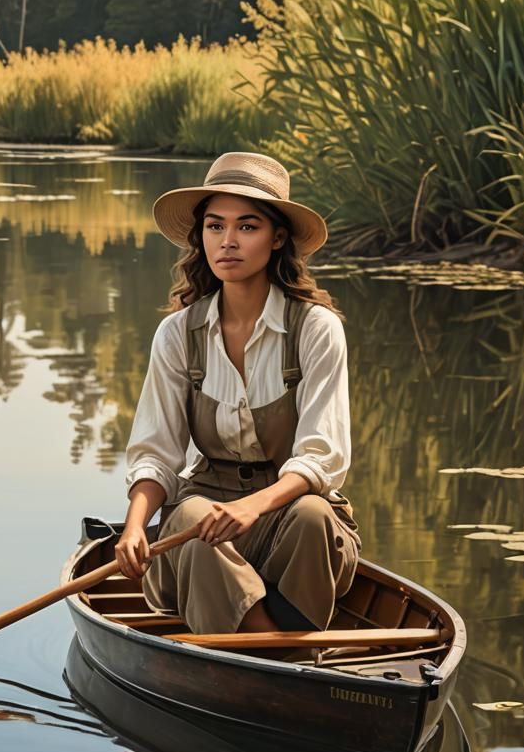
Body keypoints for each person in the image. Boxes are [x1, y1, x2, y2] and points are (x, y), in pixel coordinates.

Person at [115, 152, 360, 637]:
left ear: (278, 237)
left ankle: (268, 643)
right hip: (201, 528)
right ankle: (281, 653)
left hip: (287, 527)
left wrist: (254, 506)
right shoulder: (177, 334)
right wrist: (134, 526)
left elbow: (321, 457)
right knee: (192, 514)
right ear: (200, 236)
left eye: (247, 227)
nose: (227, 241)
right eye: (214, 226)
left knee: (313, 515)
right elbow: (156, 453)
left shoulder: (316, 329)